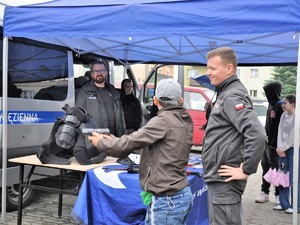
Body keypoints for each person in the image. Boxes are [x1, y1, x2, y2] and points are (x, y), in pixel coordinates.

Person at [88, 78, 194, 225]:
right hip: (181, 194)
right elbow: (144, 143)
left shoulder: (162, 121)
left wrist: (101, 142)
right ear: (180, 100)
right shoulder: (184, 119)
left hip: (167, 200)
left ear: (155, 100)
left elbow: (130, 143)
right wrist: (112, 139)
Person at [202, 47, 266, 225]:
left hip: (224, 179)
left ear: (229, 68)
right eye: (208, 68)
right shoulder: (226, 92)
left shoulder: (231, 95)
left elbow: (257, 134)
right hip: (221, 179)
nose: (208, 73)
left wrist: (246, 170)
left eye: (213, 68)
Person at [76, 61, 126, 137]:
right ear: (92, 74)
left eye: (102, 70)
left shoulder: (113, 91)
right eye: (96, 71)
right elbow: (79, 117)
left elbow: (120, 117)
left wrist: (123, 136)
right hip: (94, 140)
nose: (99, 73)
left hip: (113, 139)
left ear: (106, 73)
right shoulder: (85, 92)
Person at [255, 81, 283, 204]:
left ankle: (278, 194)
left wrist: (274, 142)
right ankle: (264, 192)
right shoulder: (271, 105)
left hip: (274, 145)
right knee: (265, 167)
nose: (267, 95)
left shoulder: (280, 106)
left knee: (275, 169)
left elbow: (279, 127)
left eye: (269, 92)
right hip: (266, 143)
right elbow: (268, 125)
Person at [273, 94, 299, 214]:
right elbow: (280, 131)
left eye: (285, 103)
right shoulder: (283, 115)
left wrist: (283, 147)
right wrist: (279, 148)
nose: (283, 105)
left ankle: (296, 206)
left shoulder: (297, 116)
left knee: (294, 177)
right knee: (282, 175)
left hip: (293, 148)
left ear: (292, 104)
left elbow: (294, 135)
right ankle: (284, 204)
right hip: (282, 149)